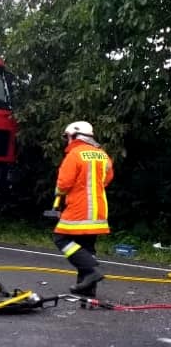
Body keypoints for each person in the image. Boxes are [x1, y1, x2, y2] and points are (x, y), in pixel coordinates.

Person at [52, 121, 114, 297]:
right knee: (87, 246)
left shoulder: (75, 154)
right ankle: (87, 288)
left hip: (79, 208)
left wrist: (59, 198)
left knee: (61, 238)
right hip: (99, 209)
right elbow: (107, 179)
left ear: (74, 136)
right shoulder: (103, 155)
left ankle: (92, 271)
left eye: (68, 137)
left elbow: (64, 184)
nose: (67, 141)